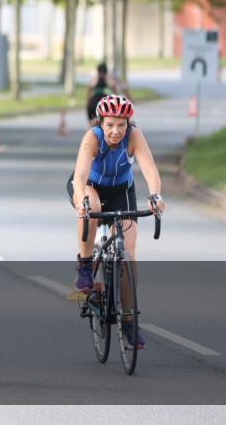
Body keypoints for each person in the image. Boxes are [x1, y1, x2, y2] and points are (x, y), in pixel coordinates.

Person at [68, 95, 166, 351]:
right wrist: (81, 202)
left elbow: (150, 171)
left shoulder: (134, 136)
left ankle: (130, 321)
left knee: (128, 253)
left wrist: (155, 196)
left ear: (128, 124)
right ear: (101, 122)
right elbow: (79, 175)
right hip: (90, 187)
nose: (116, 131)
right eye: (110, 124)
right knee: (93, 207)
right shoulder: (93, 137)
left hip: (121, 191)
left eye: (121, 125)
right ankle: (85, 265)